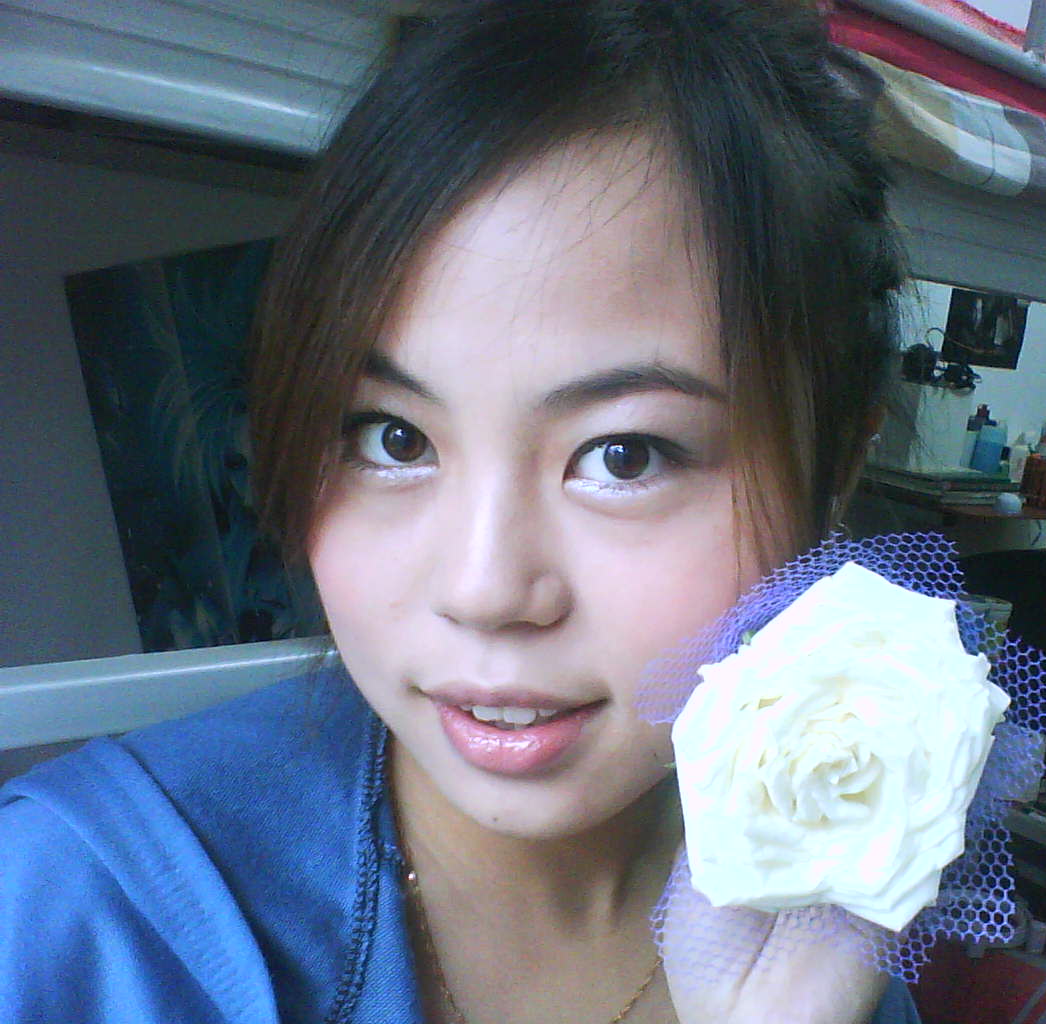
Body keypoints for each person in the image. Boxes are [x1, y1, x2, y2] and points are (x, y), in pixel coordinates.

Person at [0, 1, 919, 1021]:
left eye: (624, 455)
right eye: (392, 439)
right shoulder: (69, 922)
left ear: (835, 469)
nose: (483, 591)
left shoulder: (830, 913)